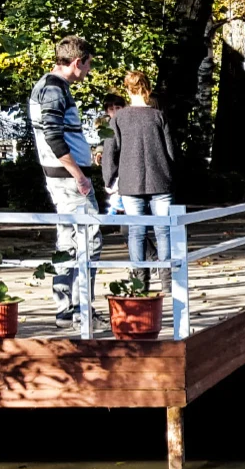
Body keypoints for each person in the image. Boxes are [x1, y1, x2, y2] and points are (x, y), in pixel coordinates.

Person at [29, 35, 99, 325]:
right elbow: (53, 136)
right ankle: (82, 311)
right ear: (77, 62)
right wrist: (79, 176)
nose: (89, 71)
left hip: (61, 178)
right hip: (69, 181)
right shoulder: (54, 89)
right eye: (88, 65)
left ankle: (66, 311)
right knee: (89, 240)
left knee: (68, 240)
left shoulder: (49, 86)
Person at [101, 70, 177, 287]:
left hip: (130, 182)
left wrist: (109, 180)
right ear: (148, 89)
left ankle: (140, 280)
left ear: (127, 90)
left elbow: (110, 152)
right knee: (163, 231)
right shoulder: (159, 116)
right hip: (160, 180)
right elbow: (171, 152)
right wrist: (172, 176)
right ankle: (167, 280)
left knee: (136, 232)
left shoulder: (118, 119)